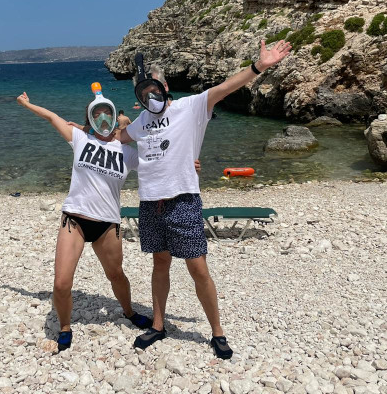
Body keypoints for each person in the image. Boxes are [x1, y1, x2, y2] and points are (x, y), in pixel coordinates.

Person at [118, 40, 292, 359]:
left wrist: (259, 66)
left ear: (165, 86)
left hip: (183, 201)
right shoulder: (141, 121)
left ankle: (217, 332)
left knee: (198, 269)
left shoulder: (191, 107)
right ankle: (158, 325)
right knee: (160, 263)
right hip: (150, 204)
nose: (149, 97)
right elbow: (119, 140)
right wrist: (117, 126)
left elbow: (225, 87)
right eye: (143, 95)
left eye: (154, 91)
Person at [16, 85, 151, 351]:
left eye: (107, 115)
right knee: (62, 282)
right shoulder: (80, 139)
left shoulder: (126, 152)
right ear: (90, 119)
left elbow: (156, 161)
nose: (103, 120)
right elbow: (53, 117)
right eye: (97, 115)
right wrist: (26, 104)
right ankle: (65, 326)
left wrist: (186, 164)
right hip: (75, 221)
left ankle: (129, 311)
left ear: (113, 118)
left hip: (107, 224)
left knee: (116, 275)